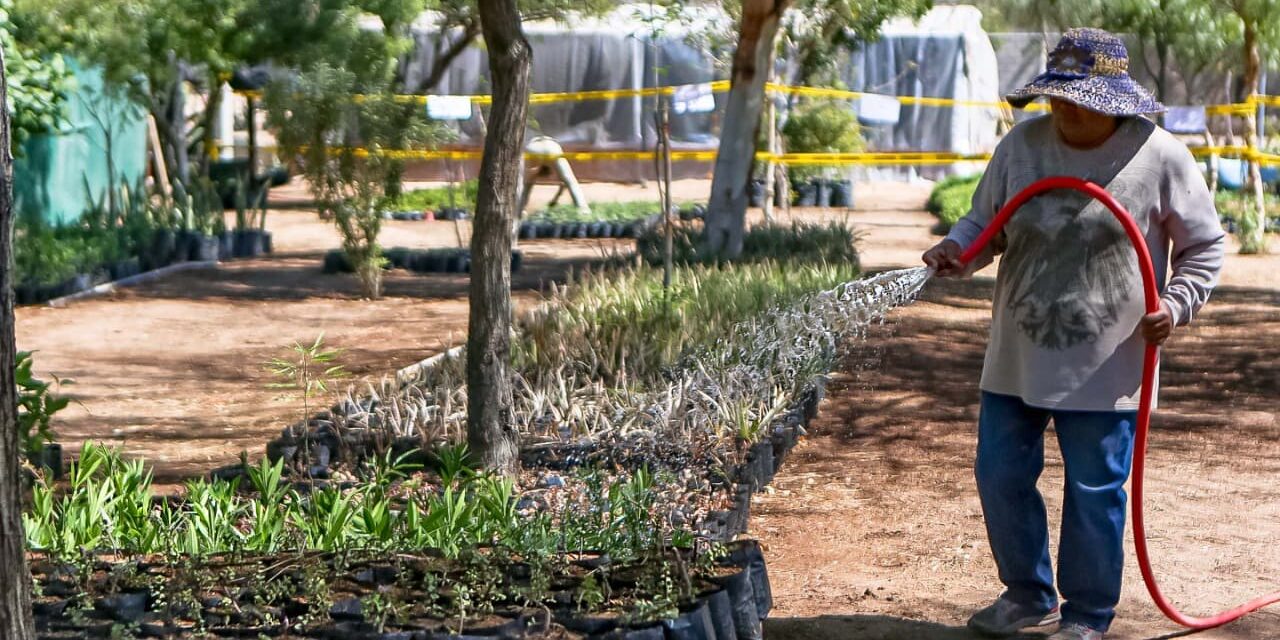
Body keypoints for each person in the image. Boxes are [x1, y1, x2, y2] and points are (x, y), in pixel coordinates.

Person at [922, 28, 1226, 640]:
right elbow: (987, 221)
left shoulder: (1159, 155)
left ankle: (1087, 614)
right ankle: (1027, 594)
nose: (1064, 108)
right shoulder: (1023, 147)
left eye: (1079, 98)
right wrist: (959, 248)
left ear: (1114, 100)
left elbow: (1204, 247)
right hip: (1018, 353)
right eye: (1057, 95)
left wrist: (1176, 303)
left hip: (1108, 364)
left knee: (1094, 490)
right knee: (999, 474)